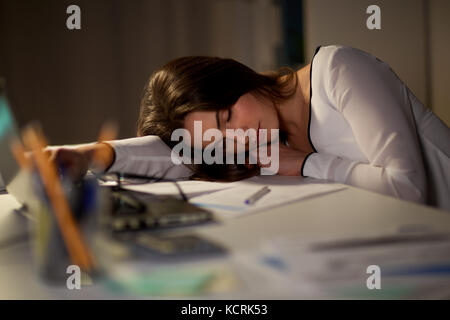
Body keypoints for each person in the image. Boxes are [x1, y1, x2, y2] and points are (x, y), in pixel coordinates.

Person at [49, 45, 450, 207]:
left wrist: (307, 164)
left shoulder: (339, 70)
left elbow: (409, 188)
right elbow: (175, 155)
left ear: (234, 78)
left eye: (227, 117)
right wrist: (89, 154)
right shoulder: (266, 143)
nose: (239, 137)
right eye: (219, 141)